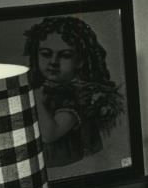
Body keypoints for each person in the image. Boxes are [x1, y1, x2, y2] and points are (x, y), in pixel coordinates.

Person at [23, 16, 124, 168]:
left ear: (80, 61)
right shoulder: (44, 88)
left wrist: (36, 98)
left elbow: (49, 134)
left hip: (72, 168)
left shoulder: (79, 95)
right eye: (45, 54)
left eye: (65, 55)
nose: (53, 62)